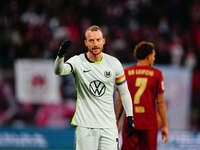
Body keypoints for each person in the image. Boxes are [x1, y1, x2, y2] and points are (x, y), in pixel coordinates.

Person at [54, 25, 135, 150]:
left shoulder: (114, 63)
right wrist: (60, 56)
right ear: (86, 43)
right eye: (91, 40)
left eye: (98, 40)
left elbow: (124, 92)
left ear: (103, 41)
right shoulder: (77, 61)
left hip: (108, 126)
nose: (95, 44)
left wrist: (130, 116)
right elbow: (59, 71)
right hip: (86, 126)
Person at [115, 41, 168, 150]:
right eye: (153, 56)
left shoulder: (126, 72)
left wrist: (116, 122)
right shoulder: (157, 74)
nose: (153, 59)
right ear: (148, 57)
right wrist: (165, 125)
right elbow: (160, 102)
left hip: (130, 122)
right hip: (149, 124)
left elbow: (120, 100)